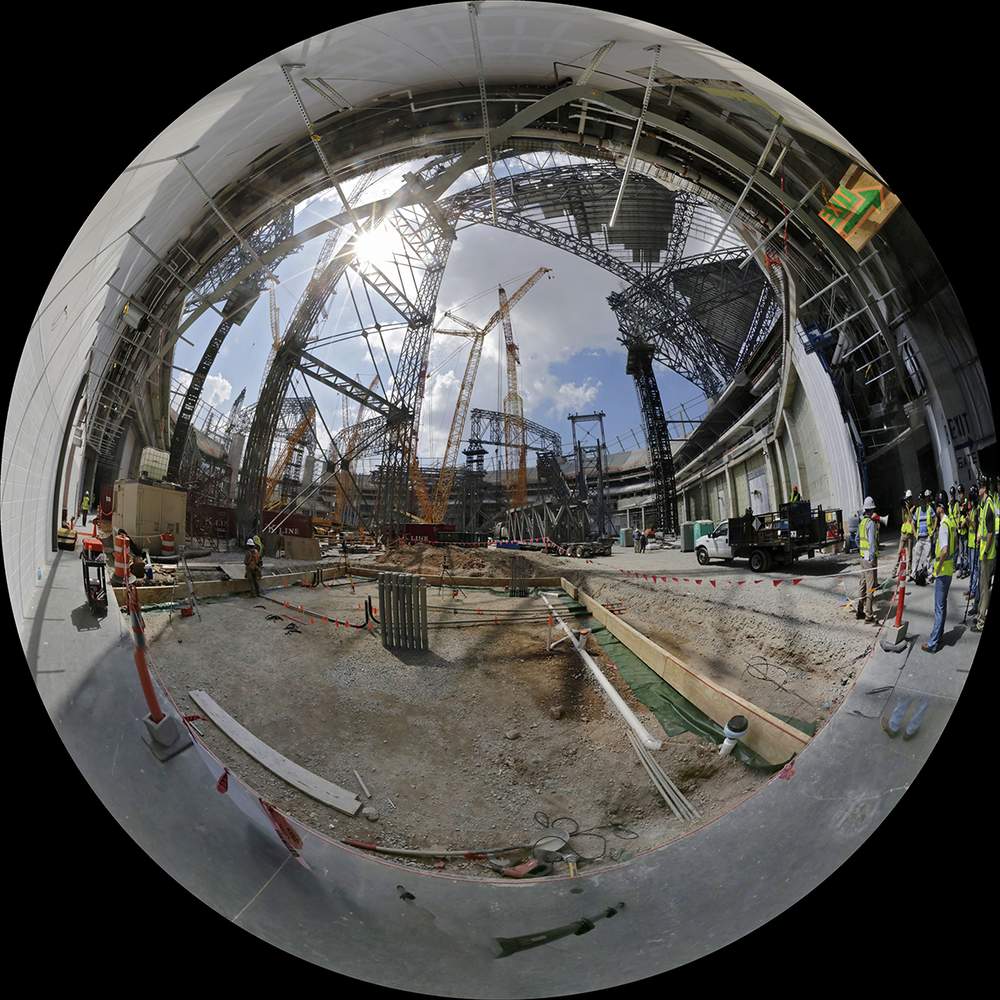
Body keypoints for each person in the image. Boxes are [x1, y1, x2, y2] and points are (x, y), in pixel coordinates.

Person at [922, 492, 956, 653]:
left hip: (943, 571)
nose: (935, 508)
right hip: (949, 570)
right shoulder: (950, 522)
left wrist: (936, 569)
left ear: (940, 507)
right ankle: (939, 635)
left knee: (938, 607)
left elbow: (944, 550)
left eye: (936, 505)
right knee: (942, 605)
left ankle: (933, 642)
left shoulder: (943, 525)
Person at [971, 478, 996, 633]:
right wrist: (980, 536)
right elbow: (983, 529)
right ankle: (980, 614)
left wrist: (986, 550)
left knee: (984, 589)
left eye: (980, 487)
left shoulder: (988, 506)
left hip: (987, 554)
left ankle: (981, 622)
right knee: (983, 587)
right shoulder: (983, 505)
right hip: (983, 553)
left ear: (984, 489)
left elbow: (991, 532)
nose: (978, 490)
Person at [855, 497, 879, 624]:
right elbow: (872, 544)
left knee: (862, 584)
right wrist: (871, 558)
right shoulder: (870, 523)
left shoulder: (861, 523)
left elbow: (856, 540)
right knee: (871, 587)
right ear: (871, 510)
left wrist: (861, 551)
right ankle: (869, 614)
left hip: (862, 558)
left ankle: (859, 610)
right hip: (869, 559)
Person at [911, 489, 936, 581]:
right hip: (919, 538)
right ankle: (913, 574)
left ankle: (930, 575)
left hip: (927, 538)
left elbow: (935, 518)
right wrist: (914, 533)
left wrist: (933, 530)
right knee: (916, 556)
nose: (921, 502)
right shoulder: (917, 510)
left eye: (922, 500)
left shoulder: (929, 509)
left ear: (924, 500)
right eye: (919, 501)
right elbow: (913, 523)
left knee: (928, 558)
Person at [900, 493, 914, 577]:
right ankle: (895, 569)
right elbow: (904, 520)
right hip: (904, 532)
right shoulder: (904, 509)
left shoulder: (913, 507)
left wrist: (909, 509)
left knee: (910, 554)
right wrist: (903, 509)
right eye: (907, 499)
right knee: (899, 552)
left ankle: (909, 569)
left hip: (910, 533)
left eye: (909, 499)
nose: (908, 501)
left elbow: (910, 519)